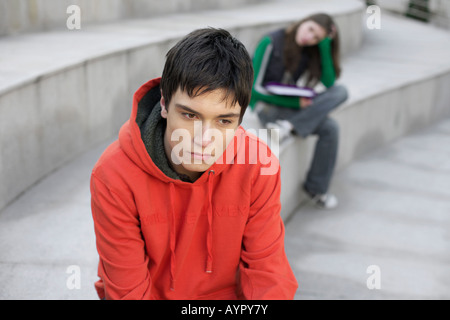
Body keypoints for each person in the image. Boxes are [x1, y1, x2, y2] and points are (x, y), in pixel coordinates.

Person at [90, 28, 298, 300]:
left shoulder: (258, 165)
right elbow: (129, 291)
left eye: (224, 121)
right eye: (190, 115)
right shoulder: (113, 174)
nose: (204, 140)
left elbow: (268, 274)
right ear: (164, 102)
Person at [250, 13, 349, 209]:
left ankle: (316, 188)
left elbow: (329, 83)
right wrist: (297, 104)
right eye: (311, 30)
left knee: (337, 105)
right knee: (329, 122)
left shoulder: (308, 51)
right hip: (266, 107)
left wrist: (325, 47)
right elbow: (253, 88)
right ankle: (289, 125)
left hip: (287, 112)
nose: (309, 37)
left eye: (316, 38)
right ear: (304, 21)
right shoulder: (270, 41)